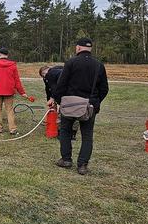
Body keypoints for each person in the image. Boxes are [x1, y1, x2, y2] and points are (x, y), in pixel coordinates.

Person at [52, 37, 109, 175]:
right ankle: (82, 165)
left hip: (70, 104)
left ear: (78, 48)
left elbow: (61, 85)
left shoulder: (71, 63)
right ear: (90, 49)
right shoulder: (99, 65)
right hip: (90, 105)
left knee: (65, 131)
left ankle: (66, 159)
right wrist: (95, 102)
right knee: (87, 135)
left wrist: (60, 102)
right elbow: (104, 88)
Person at [0, 47, 30, 135]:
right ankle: (13, 129)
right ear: (7, 55)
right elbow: (17, 80)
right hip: (9, 91)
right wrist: (22, 92)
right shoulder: (13, 65)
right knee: (9, 110)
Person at [40, 64, 79, 140]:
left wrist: (54, 100)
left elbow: (55, 89)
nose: (44, 77)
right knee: (75, 113)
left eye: (44, 75)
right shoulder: (60, 70)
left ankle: (61, 134)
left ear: (46, 72)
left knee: (63, 114)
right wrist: (50, 100)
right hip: (75, 93)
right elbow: (49, 89)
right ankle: (72, 134)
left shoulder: (50, 74)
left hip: (66, 95)